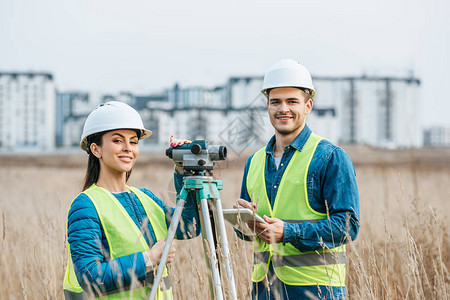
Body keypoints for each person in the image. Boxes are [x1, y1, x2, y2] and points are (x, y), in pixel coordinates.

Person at [233, 59, 360, 300]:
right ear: (267, 106)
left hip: (316, 289)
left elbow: (348, 225)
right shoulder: (254, 162)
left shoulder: (330, 157)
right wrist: (243, 220)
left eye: (292, 101)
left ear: (308, 105)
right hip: (264, 287)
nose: (283, 109)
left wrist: (289, 232)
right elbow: (246, 235)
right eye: (275, 102)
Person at [63, 101, 200, 299]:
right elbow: (90, 276)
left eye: (134, 142)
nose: (128, 148)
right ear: (96, 149)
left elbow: (189, 226)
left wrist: (184, 172)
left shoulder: (145, 197)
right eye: (118, 141)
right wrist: (149, 258)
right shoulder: (86, 205)